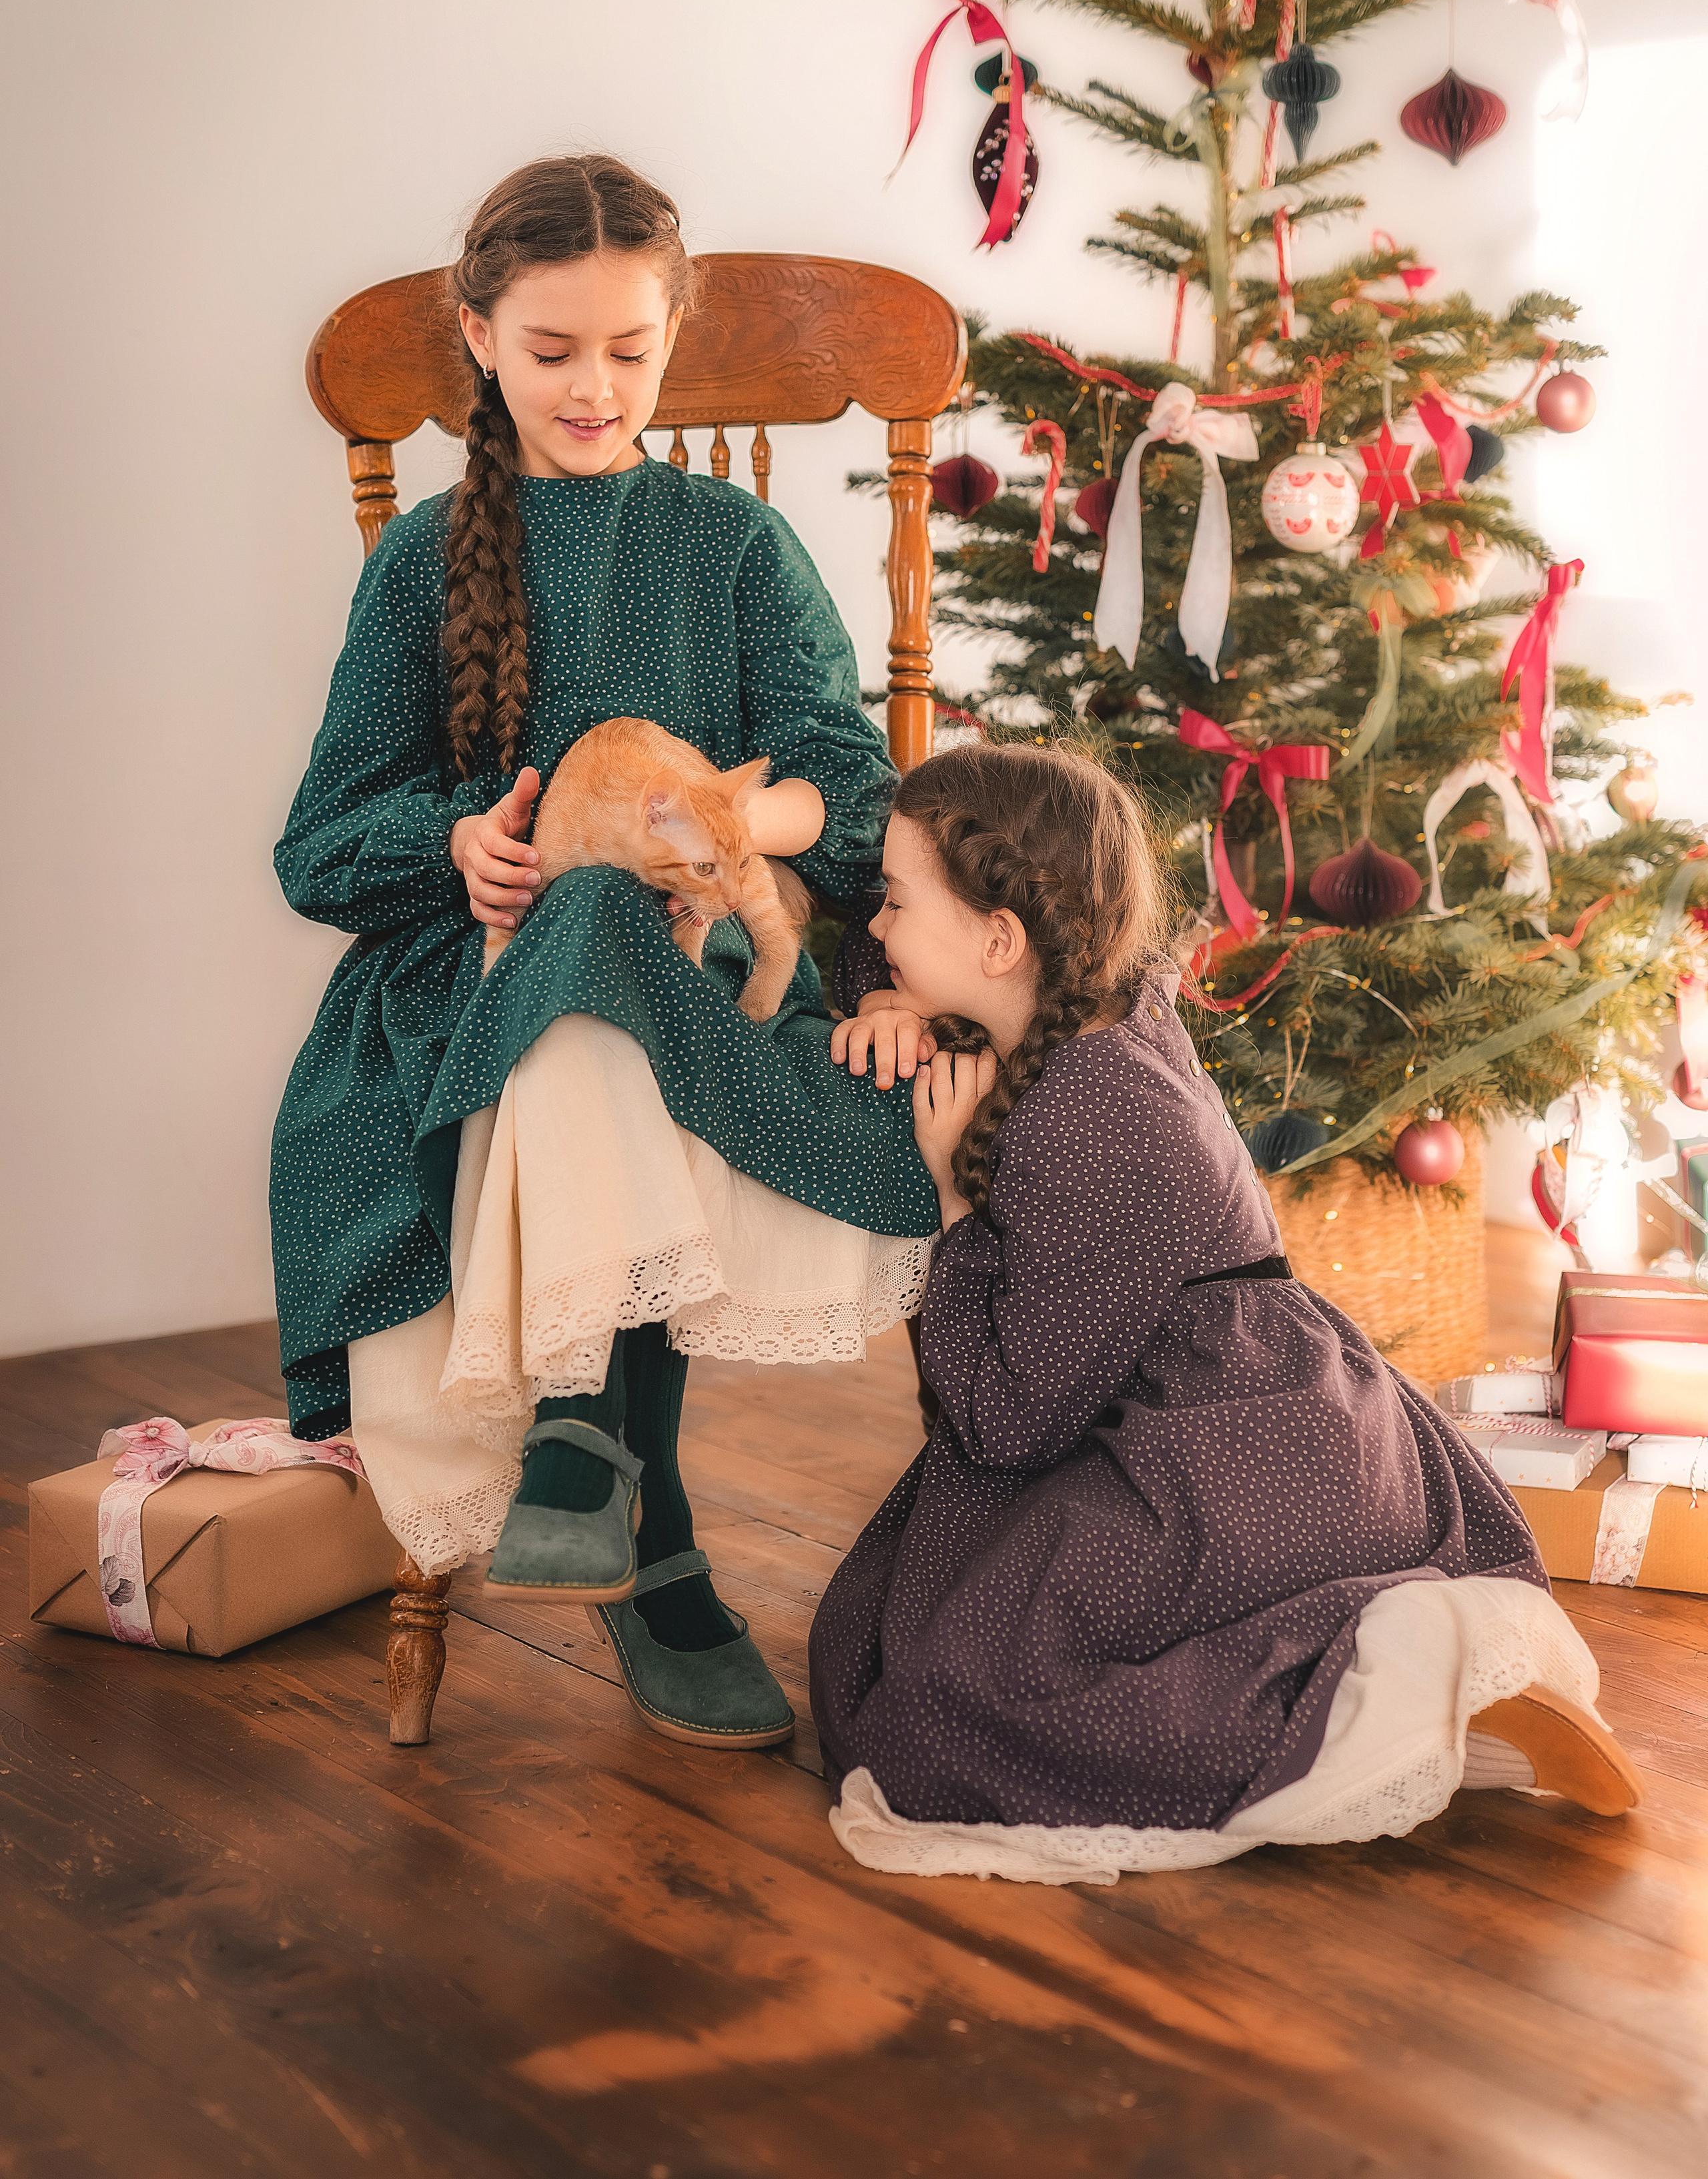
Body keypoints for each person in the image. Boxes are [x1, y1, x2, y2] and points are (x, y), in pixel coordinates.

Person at [272, 155, 936, 1749]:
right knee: (570, 924)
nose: (593, 386)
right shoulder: (424, 558)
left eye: (629, 351)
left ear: (673, 335)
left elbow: (850, 792)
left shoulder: (730, 542)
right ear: (478, 333)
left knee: (610, 933)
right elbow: (316, 849)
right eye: (552, 349)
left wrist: (722, 820)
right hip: (474, 994)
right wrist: (456, 846)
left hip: (717, 983)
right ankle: (650, 1544)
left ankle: (588, 1442)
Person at [810, 741, 1641, 1881]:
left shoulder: (1088, 1117)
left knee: (933, 1710)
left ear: (1000, 940)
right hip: (1252, 1400)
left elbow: (1005, 1423)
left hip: (1239, 1453)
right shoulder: (1094, 991)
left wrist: (957, 1204)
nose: (881, 922)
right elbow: (867, 933)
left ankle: (1380, 1701)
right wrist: (887, 992)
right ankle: (1398, 1676)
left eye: (905, 904)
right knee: (887, 1632)